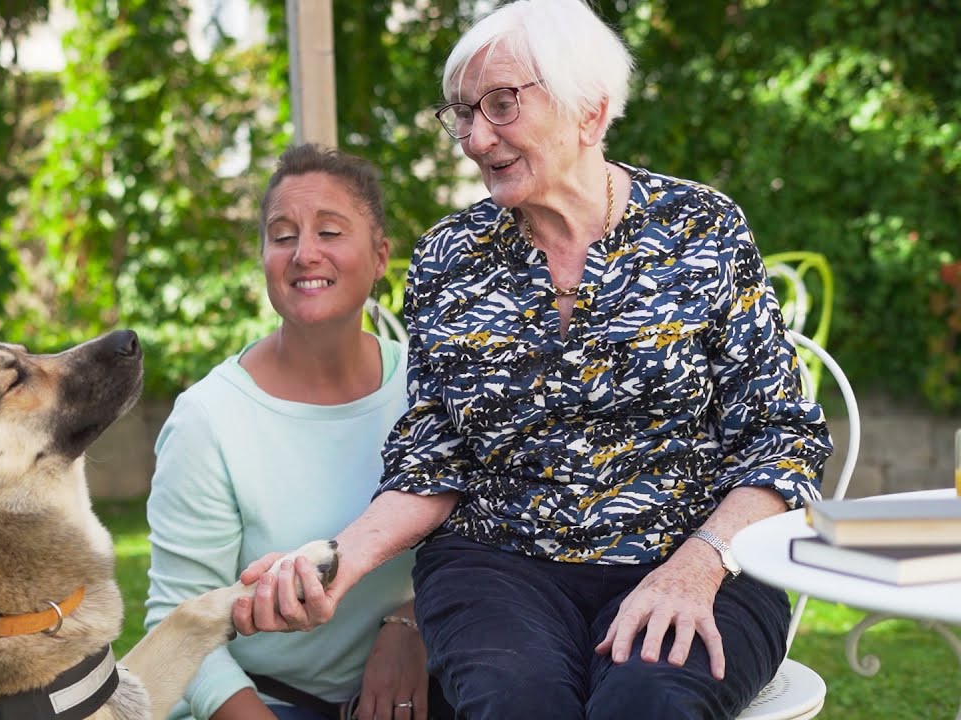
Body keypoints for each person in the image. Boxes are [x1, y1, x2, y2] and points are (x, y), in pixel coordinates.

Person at [232, 2, 834, 719]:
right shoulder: (450, 257)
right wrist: (336, 563)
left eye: (501, 104)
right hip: (501, 565)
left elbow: (783, 437)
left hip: (696, 549)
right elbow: (435, 458)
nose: (475, 137)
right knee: (518, 702)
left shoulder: (702, 229)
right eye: (462, 112)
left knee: (649, 701)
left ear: (589, 110)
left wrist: (697, 565)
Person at [144, 144, 436, 720]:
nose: (305, 254)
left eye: (330, 231)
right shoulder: (209, 420)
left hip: (418, 691)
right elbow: (179, 624)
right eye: (282, 236)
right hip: (260, 701)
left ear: (380, 257)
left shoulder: (430, 390)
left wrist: (411, 623)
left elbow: (493, 551)